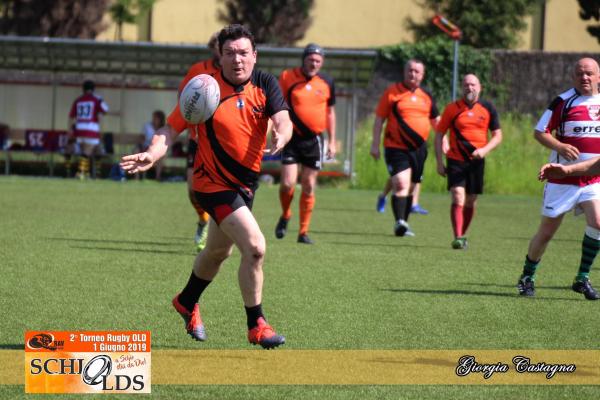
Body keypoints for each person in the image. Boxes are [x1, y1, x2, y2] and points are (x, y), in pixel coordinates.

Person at [120, 24, 293, 348]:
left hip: (245, 186)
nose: (237, 59)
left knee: (216, 252)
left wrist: (282, 134)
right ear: (220, 56)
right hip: (212, 184)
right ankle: (256, 324)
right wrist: (153, 153)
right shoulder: (204, 89)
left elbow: (283, 118)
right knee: (255, 247)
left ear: (255, 56)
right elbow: (170, 129)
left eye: (243, 53)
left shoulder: (265, 83)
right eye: (230, 53)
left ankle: (186, 300)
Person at [518, 57, 600, 300]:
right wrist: (560, 146)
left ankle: (582, 278)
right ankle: (527, 277)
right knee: (546, 233)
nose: (584, 77)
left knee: (598, 222)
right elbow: (539, 132)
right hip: (561, 180)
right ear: (573, 77)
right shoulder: (563, 102)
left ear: (598, 76)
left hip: (592, 179)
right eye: (579, 73)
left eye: (589, 73)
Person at [274, 43, 336, 244]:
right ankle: (286, 214)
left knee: (309, 185)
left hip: (314, 140)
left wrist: (332, 141)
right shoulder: (287, 77)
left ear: (322, 63)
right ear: (304, 59)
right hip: (292, 137)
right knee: (287, 184)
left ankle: (303, 232)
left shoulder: (327, 82)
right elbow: (277, 104)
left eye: (318, 61)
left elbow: (330, 112)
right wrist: (277, 130)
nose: (314, 63)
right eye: (311, 59)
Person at [370, 59, 440, 236]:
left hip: (419, 149)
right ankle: (400, 222)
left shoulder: (426, 96)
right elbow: (379, 119)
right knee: (401, 183)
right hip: (395, 147)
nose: (412, 74)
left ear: (422, 75)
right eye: (410, 70)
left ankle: (404, 223)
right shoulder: (392, 93)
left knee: (411, 187)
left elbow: (436, 122)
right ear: (404, 72)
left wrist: (445, 143)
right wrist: (375, 144)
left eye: (417, 71)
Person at [434, 74, 502, 250]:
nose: (469, 88)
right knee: (458, 195)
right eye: (466, 85)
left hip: (476, 162)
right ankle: (457, 236)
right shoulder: (452, 109)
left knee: (471, 200)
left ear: (480, 87)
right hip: (455, 160)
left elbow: (497, 135)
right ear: (461, 88)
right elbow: (439, 134)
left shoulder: (488, 108)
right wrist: (439, 162)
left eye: (472, 84)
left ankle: (462, 235)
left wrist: (484, 150)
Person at [177, 32, 222, 251]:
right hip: (196, 137)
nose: (222, 49)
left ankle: (217, 232)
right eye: (218, 45)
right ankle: (203, 219)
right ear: (212, 47)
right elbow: (183, 99)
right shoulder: (198, 70)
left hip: (221, 141)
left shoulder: (233, 73)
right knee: (192, 188)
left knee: (219, 189)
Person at [67, 80, 109, 179]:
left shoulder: (78, 100)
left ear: (83, 89)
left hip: (79, 128)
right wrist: (100, 99)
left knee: (89, 151)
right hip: (91, 129)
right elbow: (105, 109)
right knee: (87, 152)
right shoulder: (96, 99)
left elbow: (71, 117)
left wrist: (69, 130)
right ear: (93, 89)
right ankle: (81, 172)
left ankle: (87, 173)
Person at [140, 110, 166, 180]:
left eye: (155, 118)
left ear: (160, 119)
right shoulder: (147, 126)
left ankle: (158, 177)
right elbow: (142, 138)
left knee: (161, 156)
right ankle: (141, 177)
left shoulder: (163, 128)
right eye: (153, 117)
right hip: (146, 147)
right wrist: (143, 146)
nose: (153, 119)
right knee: (143, 154)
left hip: (157, 148)